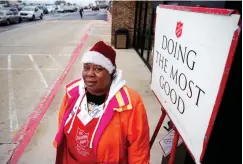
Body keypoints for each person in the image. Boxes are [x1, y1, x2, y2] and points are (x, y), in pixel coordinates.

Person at [53, 41, 150, 164]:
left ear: (111, 72)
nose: (90, 74)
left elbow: (139, 151)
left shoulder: (130, 103)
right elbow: (62, 128)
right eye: (86, 68)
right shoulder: (73, 93)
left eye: (98, 69)